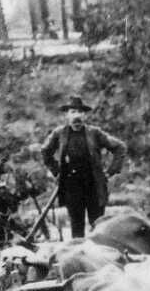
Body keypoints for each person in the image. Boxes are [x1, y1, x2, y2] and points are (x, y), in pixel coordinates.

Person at [40, 95, 127, 238]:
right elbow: (45, 151)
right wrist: (56, 171)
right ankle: (79, 251)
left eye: (80, 112)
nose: (77, 116)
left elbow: (120, 147)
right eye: (73, 112)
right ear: (67, 115)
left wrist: (111, 171)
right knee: (76, 228)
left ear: (84, 115)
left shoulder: (95, 133)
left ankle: (99, 251)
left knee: (98, 226)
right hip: (72, 186)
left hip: (93, 184)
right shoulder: (59, 133)